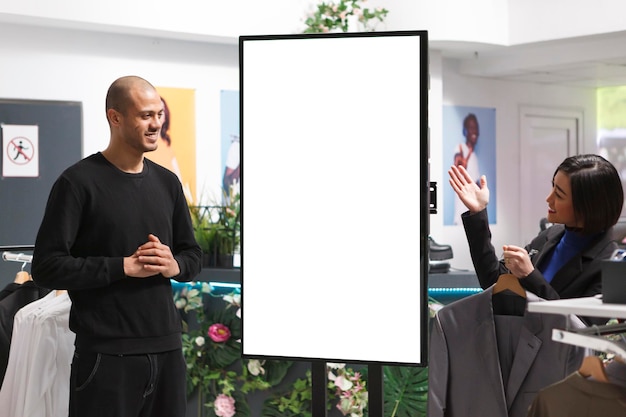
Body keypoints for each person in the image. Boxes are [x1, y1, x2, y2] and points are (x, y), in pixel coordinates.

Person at [31, 75, 202, 417]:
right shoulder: (77, 183)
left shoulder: (167, 183)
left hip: (167, 351)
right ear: (115, 117)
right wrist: (122, 266)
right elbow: (46, 267)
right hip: (106, 359)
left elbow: (193, 256)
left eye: (159, 114)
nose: (156, 124)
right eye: (145, 116)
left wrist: (175, 265)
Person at [449, 154, 624, 323]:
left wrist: (530, 276)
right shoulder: (551, 235)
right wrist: (478, 213)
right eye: (553, 187)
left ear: (588, 207)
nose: (549, 199)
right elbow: (493, 280)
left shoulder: (612, 264)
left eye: (560, 195)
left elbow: (581, 326)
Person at [453, 113, 480, 224]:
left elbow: (476, 184)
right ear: (465, 131)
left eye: (476, 128)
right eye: (471, 127)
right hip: (462, 214)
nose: (475, 131)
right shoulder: (460, 148)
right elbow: (459, 167)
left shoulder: (474, 156)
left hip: (473, 213)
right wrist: (467, 154)